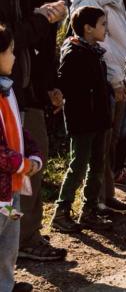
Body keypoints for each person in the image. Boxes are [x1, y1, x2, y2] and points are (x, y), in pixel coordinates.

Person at [16, 0, 72, 256]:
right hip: (24, 87)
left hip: (34, 84)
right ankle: (25, 239)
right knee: (33, 158)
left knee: (37, 154)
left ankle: (27, 235)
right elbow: (27, 36)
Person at [71, 0, 126, 213]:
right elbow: (103, 47)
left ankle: (107, 195)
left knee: (112, 141)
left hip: (121, 75)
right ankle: (96, 201)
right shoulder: (92, 0)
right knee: (102, 143)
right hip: (105, 80)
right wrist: (115, 79)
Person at [51, 7, 113, 234]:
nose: (106, 28)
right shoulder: (74, 53)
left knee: (97, 164)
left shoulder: (95, 51)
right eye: (102, 24)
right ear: (88, 28)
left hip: (99, 118)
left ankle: (89, 209)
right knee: (78, 164)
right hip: (83, 120)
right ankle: (62, 211)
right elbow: (66, 86)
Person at [0, 23, 44, 292]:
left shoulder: (8, 89)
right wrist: (23, 164)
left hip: (12, 189)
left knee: (8, 243)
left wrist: (33, 152)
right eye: (11, 51)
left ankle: (6, 285)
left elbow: (18, 127)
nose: (15, 57)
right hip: (1, 189)